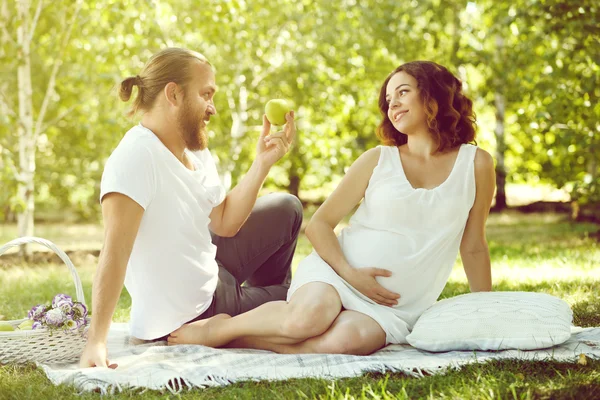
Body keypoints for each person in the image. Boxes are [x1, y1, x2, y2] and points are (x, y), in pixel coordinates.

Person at [167, 61, 495, 355]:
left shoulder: (476, 165)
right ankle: (219, 328)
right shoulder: (378, 160)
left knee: (345, 342)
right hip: (337, 273)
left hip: (394, 307)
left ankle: (237, 340)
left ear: (435, 97)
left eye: (403, 92)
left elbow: (474, 246)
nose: (392, 103)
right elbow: (319, 224)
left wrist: (487, 312)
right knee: (306, 320)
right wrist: (350, 274)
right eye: (389, 98)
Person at [79, 48, 302, 368]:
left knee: (287, 207)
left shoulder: (194, 150)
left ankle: (262, 301)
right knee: (302, 303)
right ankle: (253, 313)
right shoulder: (136, 157)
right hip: (198, 313)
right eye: (206, 94)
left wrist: (263, 162)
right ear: (174, 94)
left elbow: (224, 222)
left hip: (212, 271)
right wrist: (97, 342)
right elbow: (114, 254)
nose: (212, 107)